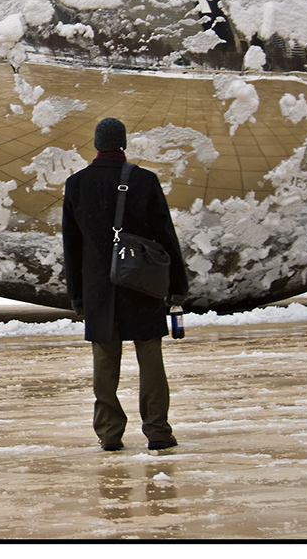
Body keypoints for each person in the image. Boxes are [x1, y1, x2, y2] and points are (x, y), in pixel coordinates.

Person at [62, 117, 189, 453]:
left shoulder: (77, 185)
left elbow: (72, 248)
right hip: (141, 282)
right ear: (123, 144)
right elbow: (165, 238)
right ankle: (158, 430)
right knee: (150, 359)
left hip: (99, 287)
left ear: (96, 144)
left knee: (105, 363)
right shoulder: (144, 181)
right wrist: (177, 285)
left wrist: (77, 294)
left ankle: (109, 432)